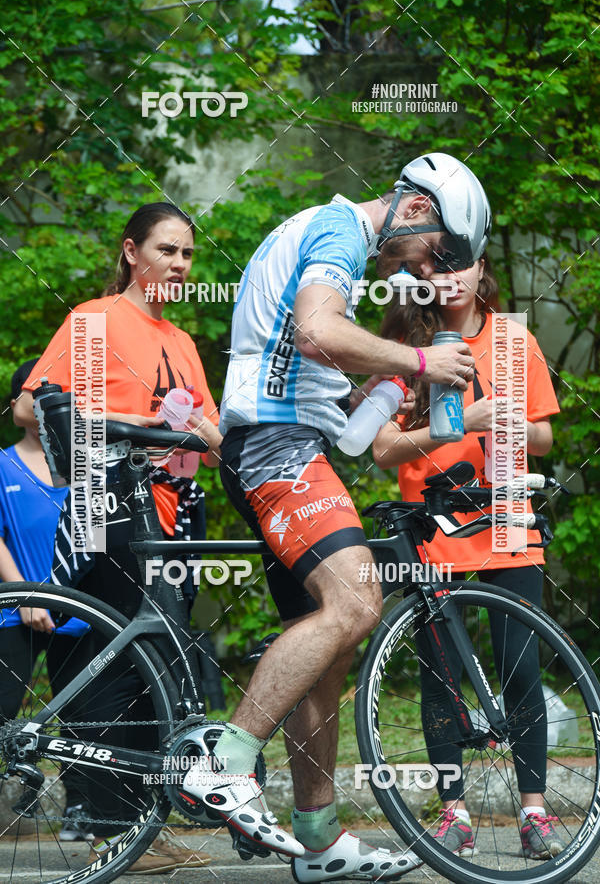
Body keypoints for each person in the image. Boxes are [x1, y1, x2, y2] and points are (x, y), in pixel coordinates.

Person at [181, 153, 488, 881]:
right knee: (356, 600)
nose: (433, 270)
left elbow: (354, 437)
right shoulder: (340, 230)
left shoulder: (338, 252)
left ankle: (317, 839)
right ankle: (224, 762)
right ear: (414, 211)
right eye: (440, 250)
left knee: (326, 643)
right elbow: (316, 329)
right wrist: (418, 366)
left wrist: (397, 387)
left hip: (294, 440)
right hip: (275, 445)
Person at [22, 202, 222, 874]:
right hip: (106, 510)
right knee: (115, 667)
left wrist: (196, 437)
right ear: (132, 251)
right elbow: (31, 405)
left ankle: (141, 825)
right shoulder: (95, 319)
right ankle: (116, 828)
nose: (180, 264)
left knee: (157, 670)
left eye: (188, 254)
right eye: (167, 250)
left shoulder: (184, 342)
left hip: (171, 520)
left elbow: (213, 441)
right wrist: (132, 423)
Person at [372, 251, 563, 860]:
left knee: (520, 666)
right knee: (441, 676)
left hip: (506, 515)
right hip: (433, 528)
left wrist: (499, 419)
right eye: (434, 269)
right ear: (420, 279)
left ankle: (534, 814)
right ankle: (452, 811)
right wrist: (455, 425)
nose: (447, 278)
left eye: (461, 266)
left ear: (483, 270)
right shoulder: (404, 345)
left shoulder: (513, 338)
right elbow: (382, 449)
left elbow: (544, 435)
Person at [0, 358, 93, 842]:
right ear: (14, 403)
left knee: (84, 718)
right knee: (4, 710)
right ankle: (17, 799)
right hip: (15, 611)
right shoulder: (2, 465)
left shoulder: (91, 468)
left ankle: (82, 810)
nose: (42, 402)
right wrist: (26, 596)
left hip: (82, 613)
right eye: (31, 392)